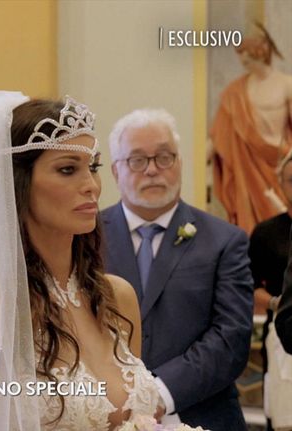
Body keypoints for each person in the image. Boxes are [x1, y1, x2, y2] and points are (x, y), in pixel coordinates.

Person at [0, 92, 161, 430]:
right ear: (17, 183)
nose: (91, 186)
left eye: (93, 167)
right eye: (67, 169)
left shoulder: (117, 297)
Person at [102, 108, 254, 430]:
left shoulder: (225, 240)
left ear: (180, 163)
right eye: (137, 160)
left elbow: (231, 337)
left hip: (203, 415)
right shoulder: (85, 238)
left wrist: (158, 394)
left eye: (164, 157)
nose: (152, 170)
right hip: (107, 415)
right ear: (116, 171)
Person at [211, 23, 292, 234]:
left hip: (279, 164)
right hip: (247, 168)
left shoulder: (286, 84)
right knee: (250, 228)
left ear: (261, 50)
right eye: (240, 52)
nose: (242, 58)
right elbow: (220, 135)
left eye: (246, 51)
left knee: (280, 228)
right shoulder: (235, 91)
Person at [249, 150, 292, 429]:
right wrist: (279, 303)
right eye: (291, 180)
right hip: (281, 328)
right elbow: (249, 285)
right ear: (280, 183)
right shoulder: (267, 232)